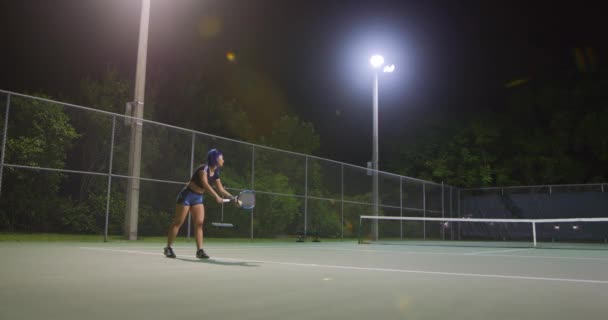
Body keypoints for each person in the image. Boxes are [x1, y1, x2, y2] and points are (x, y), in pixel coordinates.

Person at [164, 148, 233, 259]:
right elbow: (206, 185)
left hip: (197, 198)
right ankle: (168, 248)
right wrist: (216, 197)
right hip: (187, 195)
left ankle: (199, 251)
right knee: (178, 222)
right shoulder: (203, 169)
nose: (223, 160)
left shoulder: (216, 172)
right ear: (216, 159)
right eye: (222, 158)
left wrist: (233, 198)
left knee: (199, 223)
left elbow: (221, 189)